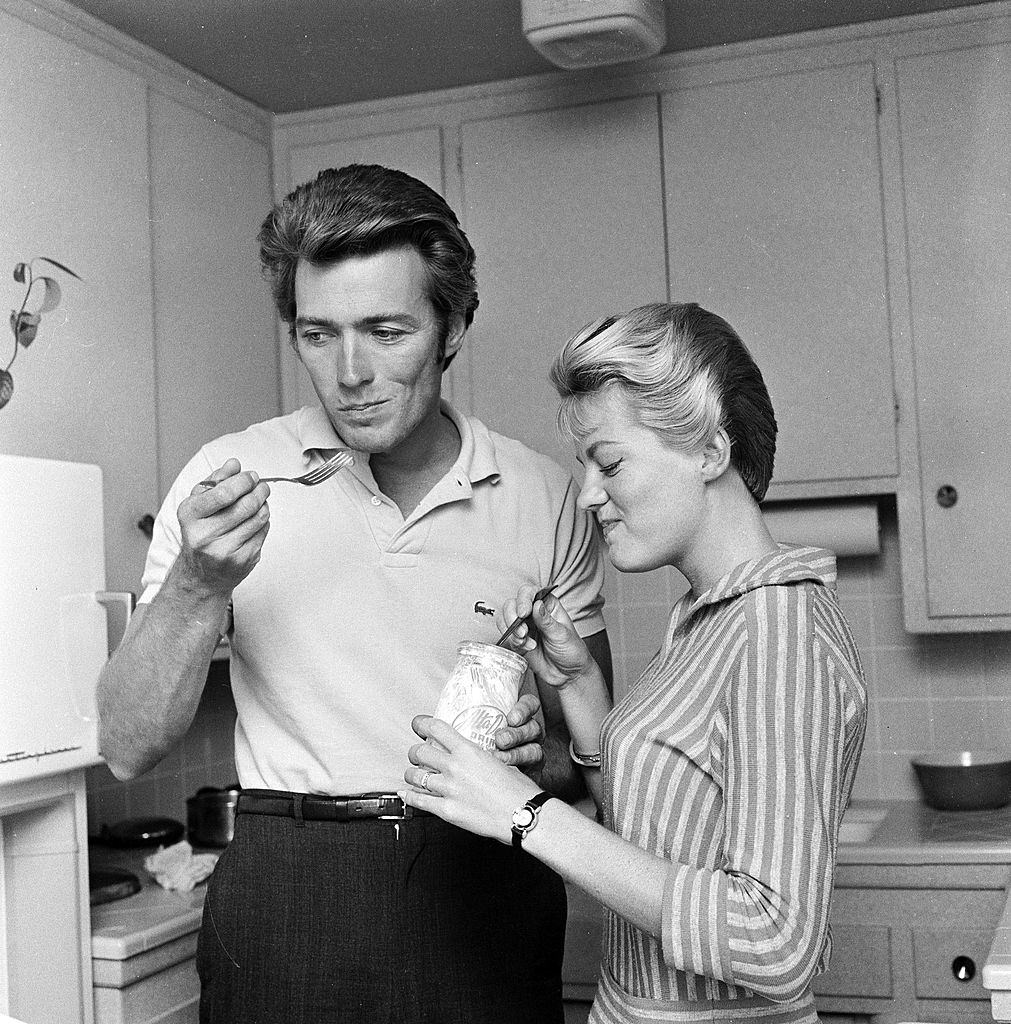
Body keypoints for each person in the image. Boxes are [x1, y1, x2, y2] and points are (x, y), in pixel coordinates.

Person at [96, 163, 613, 1024]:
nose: (351, 372)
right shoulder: (232, 476)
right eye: (318, 334)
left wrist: (536, 758)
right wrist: (197, 583)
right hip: (289, 880)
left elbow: (592, 757)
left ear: (451, 328)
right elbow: (125, 746)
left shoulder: (543, 495)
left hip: (486, 876)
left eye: (385, 331)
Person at [403, 302, 868, 1023]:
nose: (588, 494)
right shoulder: (707, 618)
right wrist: (576, 683)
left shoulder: (778, 631)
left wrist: (519, 813)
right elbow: (659, 834)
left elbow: (775, 942)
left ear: (710, 452)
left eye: (608, 462)